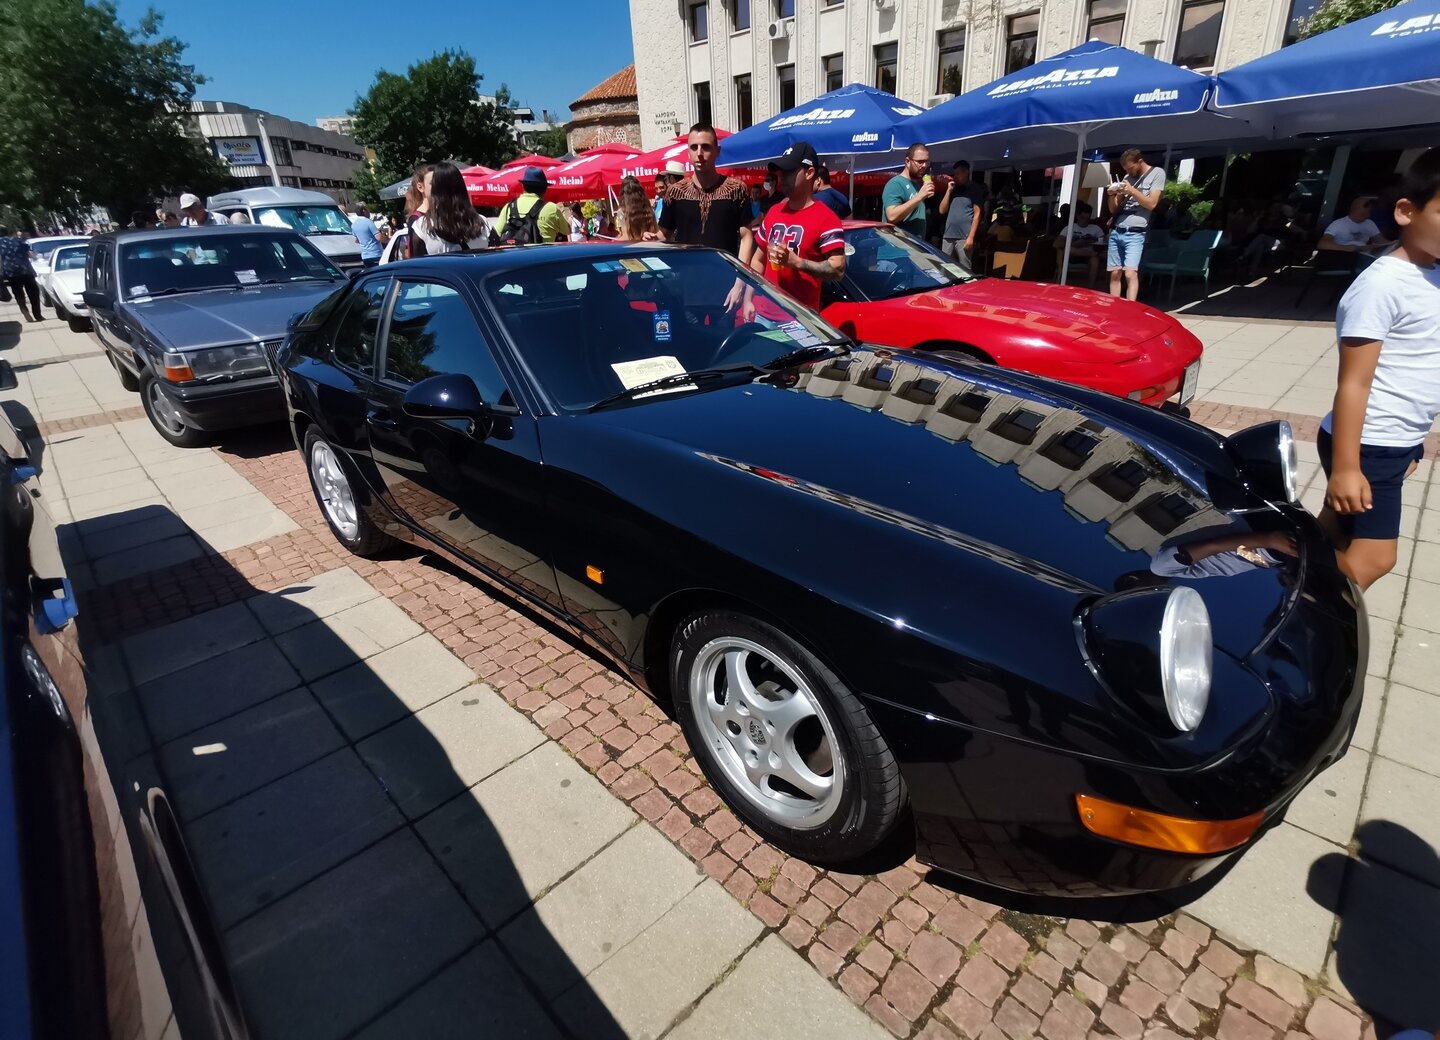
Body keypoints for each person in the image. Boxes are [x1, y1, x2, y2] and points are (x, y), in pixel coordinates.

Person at [1318, 148, 1440, 591]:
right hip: (1370, 444)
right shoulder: (1382, 285)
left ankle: (1279, 562)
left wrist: (1415, 442)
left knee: (1331, 532)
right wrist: (1347, 468)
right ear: (1407, 211)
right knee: (1373, 559)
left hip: (1396, 439)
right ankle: (1313, 614)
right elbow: (1353, 382)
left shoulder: (1432, 273)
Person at [653, 122, 756, 320]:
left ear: (717, 151)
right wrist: (649, 238)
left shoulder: (736, 190)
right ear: (688, 152)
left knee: (726, 348)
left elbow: (746, 237)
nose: (699, 153)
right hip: (686, 291)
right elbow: (664, 234)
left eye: (706, 147)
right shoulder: (675, 193)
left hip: (725, 288)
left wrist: (740, 284)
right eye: (694, 147)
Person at [745, 141, 846, 319]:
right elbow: (758, 260)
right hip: (765, 314)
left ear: (810, 173)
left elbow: (838, 269)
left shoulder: (827, 218)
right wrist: (748, 299)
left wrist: (797, 262)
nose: (782, 176)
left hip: (801, 319)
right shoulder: (774, 212)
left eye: (790, 171)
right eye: (781, 171)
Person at [1105, 148, 1166, 300]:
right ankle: (1115, 306)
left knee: (1130, 273)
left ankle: (1130, 306)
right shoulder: (1127, 177)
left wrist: (1132, 191)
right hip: (1118, 229)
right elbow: (1114, 209)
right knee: (1115, 272)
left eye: (1131, 168)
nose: (1130, 172)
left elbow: (1152, 204)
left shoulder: (1157, 173)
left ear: (1140, 162)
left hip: (1136, 232)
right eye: (1126, 170)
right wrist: (1112, 195)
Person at [410, 161, 490, 255]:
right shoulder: (483, 224)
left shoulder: (422, 227)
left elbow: (418, 267)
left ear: (435, 190)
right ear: (462, 187)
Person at [494, 167, 569, 245]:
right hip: (542, 255)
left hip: (511, 255)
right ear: (545, 189)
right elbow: (567, 230)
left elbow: (496, 233)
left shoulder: (508, 207)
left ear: (523, 186)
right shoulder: (551, 208)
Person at [938, 159, 984, 270]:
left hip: (964, 237)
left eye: (958, 173)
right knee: (945, 267)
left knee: (964, 268)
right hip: (948, 235)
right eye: (955, 173)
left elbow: (977, 214)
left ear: (966, 172)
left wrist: (971, 237)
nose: (956, 176)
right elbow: (942, 210)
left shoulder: (974, 189)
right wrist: (948, 191)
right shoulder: (953, 188)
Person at [883, 143, 933, 240]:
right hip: (897, 251)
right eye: (920, 162)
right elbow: (892, 216)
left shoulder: (916, 185)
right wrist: (919, 196)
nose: (924, 165)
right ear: (907, 161)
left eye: (926, 162)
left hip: (914, 249)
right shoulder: (895, 184)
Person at [1055, 203, 1105, 286]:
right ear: (1077, 216)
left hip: (1089, 256)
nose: (1085, 221)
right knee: (1069, 249)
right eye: (1082, 218)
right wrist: (1076, 243)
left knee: (1095, 260)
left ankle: (1091, 287)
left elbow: (1103, 242)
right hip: (1073, 256)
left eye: (1087, 218)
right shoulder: (1070, 227)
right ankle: (1093, 254)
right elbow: (1056, 244)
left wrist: (1092, 241)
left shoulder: (1096, 228)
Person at [0, 228, 42, 322]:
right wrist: (35, 257)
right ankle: (38, 315)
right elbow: (29, 253)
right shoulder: (18, 240)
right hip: (25, 270)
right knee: (34, 293)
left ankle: (25, 311)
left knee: (18, 294)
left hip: (11, 272)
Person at [1319, 197, 1386, 253]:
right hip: (1342, 257)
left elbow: (1381, 241)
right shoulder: (1339, 224)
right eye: (1368, 209)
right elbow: (1322, 244)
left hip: (1363, 258)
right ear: (1358, 208)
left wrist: (1394, 244)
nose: (1369, 214)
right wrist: (1347, 248)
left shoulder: (1369, 223)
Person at [404, 163, 433, 259]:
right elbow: (415, 256)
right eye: (433, 183)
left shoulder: (441, 213)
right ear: (420, 187)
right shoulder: (416, 219)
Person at [617, 176, 658, 242]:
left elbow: (626, 237)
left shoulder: (622, 211)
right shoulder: (649, 209)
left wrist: (615, 240)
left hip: (633, 248)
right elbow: (656, 231)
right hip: (650, 245)